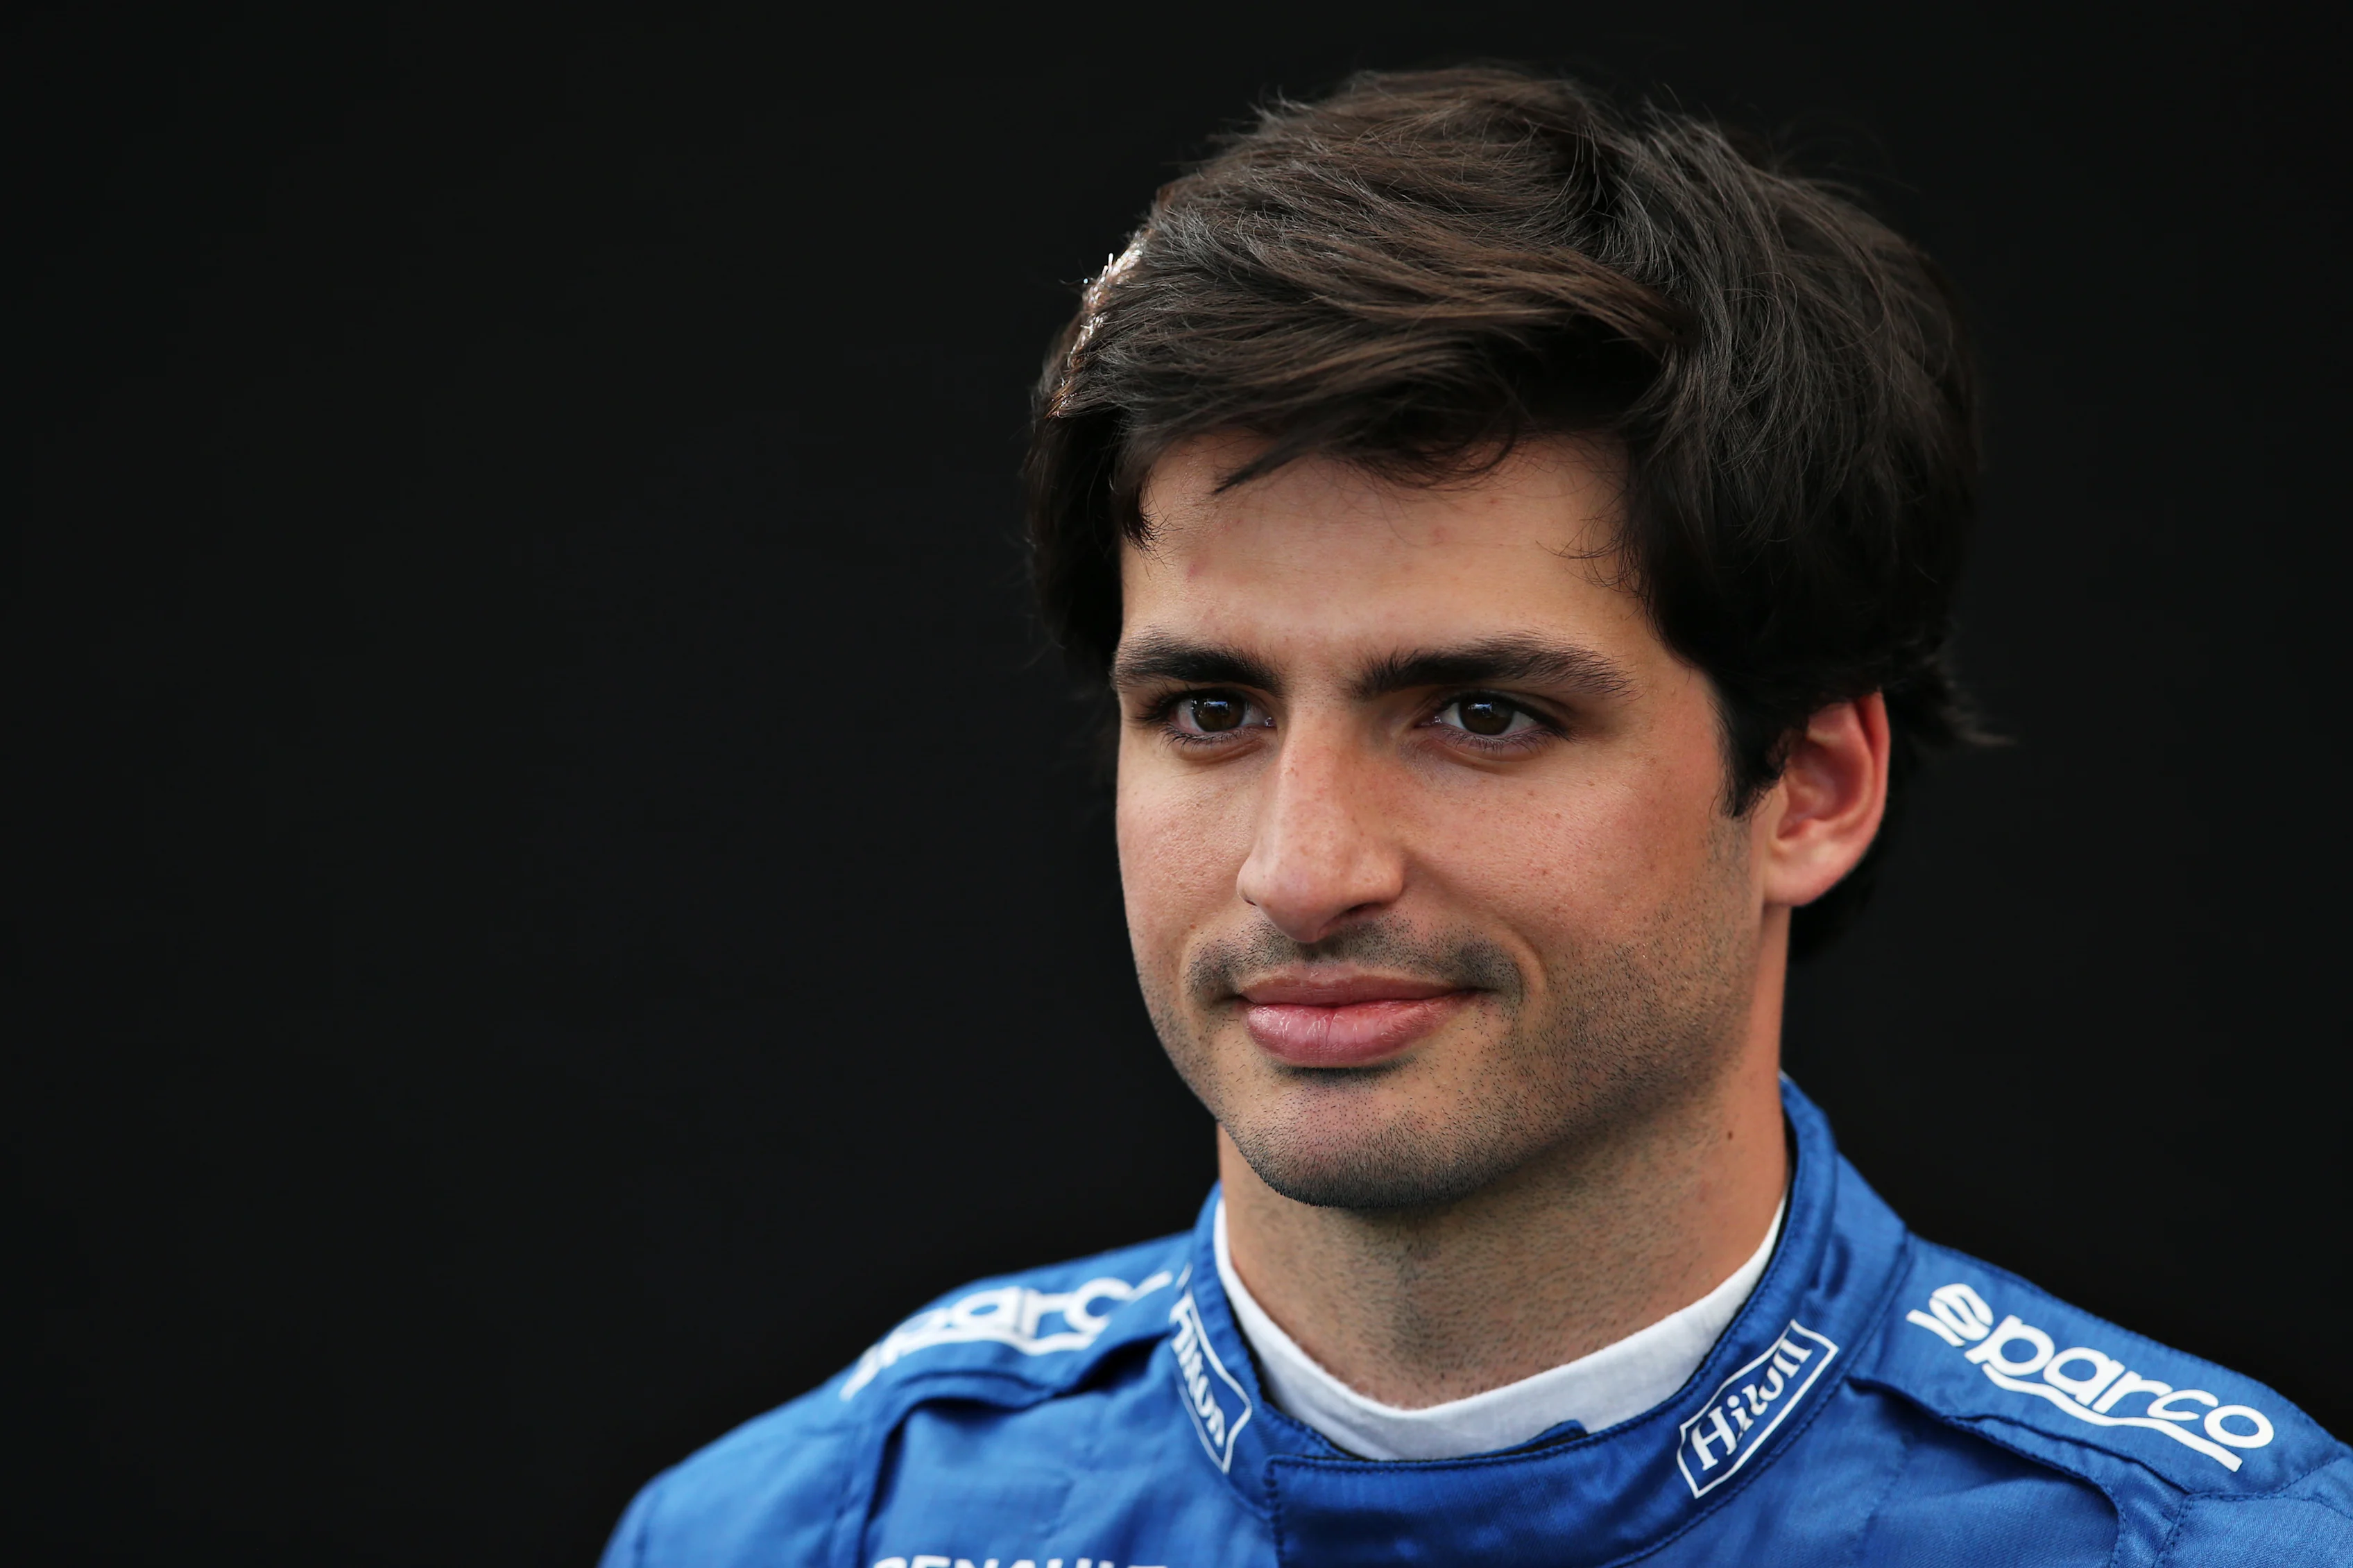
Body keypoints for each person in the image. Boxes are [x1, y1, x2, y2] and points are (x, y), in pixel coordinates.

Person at [599, 67, 2349, 1566]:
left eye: (1481, 713)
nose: (1301, 868)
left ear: (1809, 787)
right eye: (1210, 709)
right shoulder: (805, 1529)